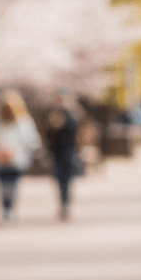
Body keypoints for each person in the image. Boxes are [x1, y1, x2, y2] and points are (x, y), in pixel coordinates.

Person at [0, 89, 40, 224]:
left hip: (17, 160)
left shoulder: (23, 122)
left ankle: (9, 209)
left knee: (12, 186)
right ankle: (5, 209)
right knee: (3, 187)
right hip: (1, 160)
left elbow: (31, 140)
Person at [47, 91, 82, 221]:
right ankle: (64, 203)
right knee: (61, 181)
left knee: (67, 180)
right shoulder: (55, 115)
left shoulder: (73, 115)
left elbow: (78, 133)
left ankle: (66, 203)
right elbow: (50, 134)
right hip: (58, 152)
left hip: (69, 151)